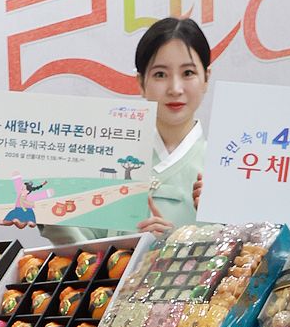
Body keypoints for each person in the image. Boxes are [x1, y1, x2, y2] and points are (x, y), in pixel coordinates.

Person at [43, 16, 211, 242]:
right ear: (141, 83)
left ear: (206, 77)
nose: (175, 88)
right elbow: (85, 245)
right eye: (160, 74)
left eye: (188, 73)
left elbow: (249, 250)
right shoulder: (111, 161)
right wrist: (43, 212)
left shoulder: (224, 169)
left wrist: (221, 218)